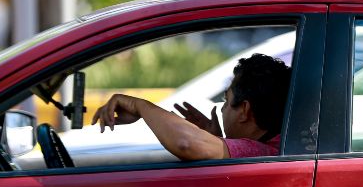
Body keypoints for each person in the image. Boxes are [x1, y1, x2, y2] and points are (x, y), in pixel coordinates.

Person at [91, 53, 291, 160]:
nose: (222, 110)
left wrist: (139, 106)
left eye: (226, 102)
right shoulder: (282, 147)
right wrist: (215, 139)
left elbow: (186, 143)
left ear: (245, 111)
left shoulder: (264, 153)